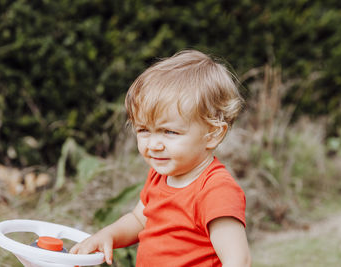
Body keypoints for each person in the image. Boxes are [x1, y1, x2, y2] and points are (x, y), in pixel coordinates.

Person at [70, 50, 251, 266]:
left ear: (212, 134)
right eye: (144, 130)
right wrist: (107, 235)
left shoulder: (215, 190)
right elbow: (139, 220)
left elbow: (237, 260)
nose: (154, 145)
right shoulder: (159, 176)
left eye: (170, 132)